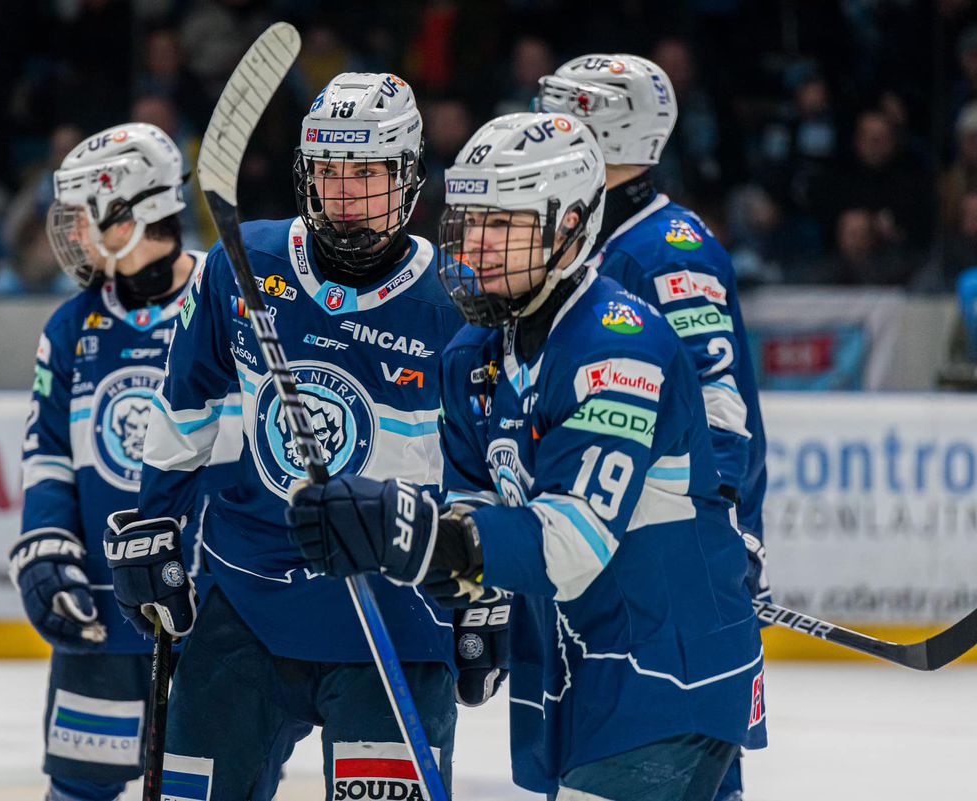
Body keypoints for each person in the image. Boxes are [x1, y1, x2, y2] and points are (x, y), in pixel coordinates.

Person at [287, 111, 767, 801]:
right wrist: (404, 545)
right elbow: (472, 531)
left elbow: (571, 540)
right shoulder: (472, 354)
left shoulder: (618, 349)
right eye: (469, 219)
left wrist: (412, 534)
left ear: (573, 227)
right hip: (576, 664)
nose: (476, 244)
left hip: (663, 665)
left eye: (504, 224)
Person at [103, 73, 497, 800]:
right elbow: (186, 401)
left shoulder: (460, 302)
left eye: (368, 174)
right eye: (329, 172)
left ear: (410, 177)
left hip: (398, 615)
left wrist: (486, 591)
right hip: (249, 598)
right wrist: (156, 519)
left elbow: (488, 471)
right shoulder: (243, 264)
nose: (345, 193)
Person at [537, 53, 771, 801]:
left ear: (610, 126)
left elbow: (720, 404)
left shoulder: (666, 249)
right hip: (620, 566)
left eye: (564, 110)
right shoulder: (600, 234)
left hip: (672, 569)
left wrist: (723, 521)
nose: (548, 126)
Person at [9, 122, 240, 801]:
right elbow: (47, 452)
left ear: (132, 214)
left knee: (211, 789)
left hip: (215, 613)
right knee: (81, 788)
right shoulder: (71, 328)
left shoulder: (228, 303)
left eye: (85, 218)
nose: (73, 235)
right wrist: (47, 543)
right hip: (105, 617)